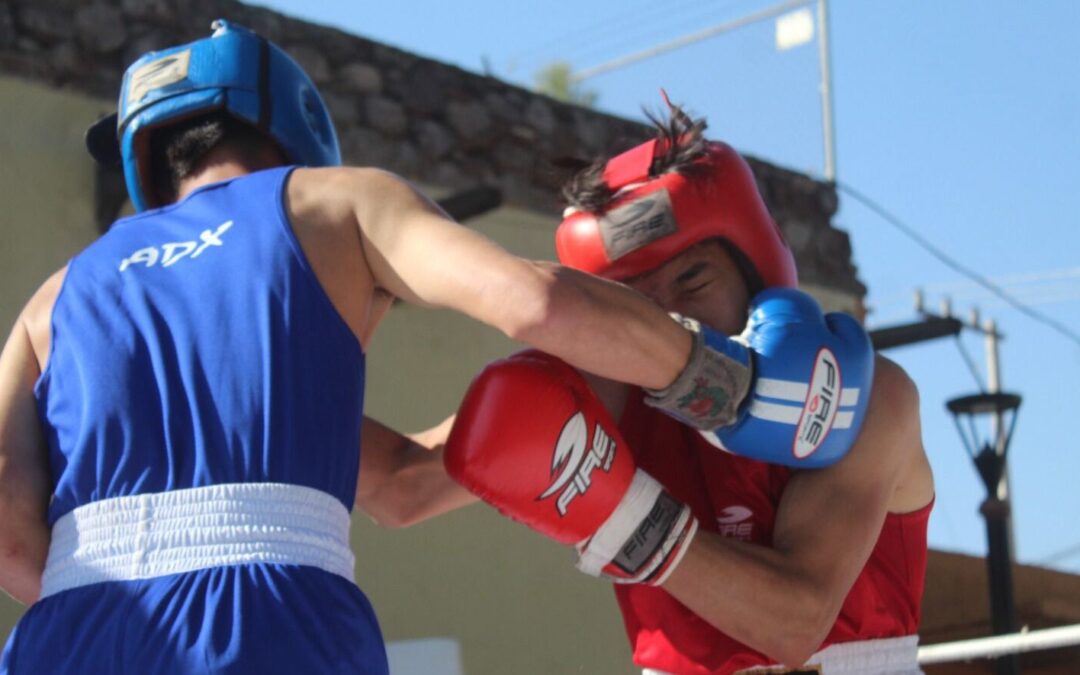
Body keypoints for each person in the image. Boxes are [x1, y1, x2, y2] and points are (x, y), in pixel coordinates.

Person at [0, 22, 734, 674]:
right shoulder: (334, 203)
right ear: (293, 122)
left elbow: (400, 484)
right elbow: (536, 302)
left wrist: (114, 598)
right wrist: (710, 369)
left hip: (71, 630)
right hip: (272, 620)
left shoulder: (53, 297)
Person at [444, 104, 935, 674]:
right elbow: (405, 483)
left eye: (693, 280)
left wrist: (620, 516)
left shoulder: (863, 394)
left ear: (755, 268)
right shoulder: (605, 399)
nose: (669, 319)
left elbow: (797, 621)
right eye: (638, 306)